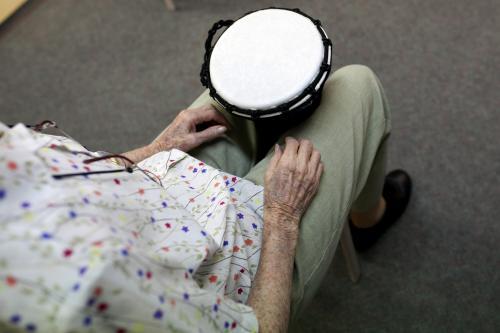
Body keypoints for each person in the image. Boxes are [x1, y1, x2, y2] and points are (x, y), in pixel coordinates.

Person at [0, 65, 411, 332]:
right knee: (355, 85)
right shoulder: (75, 294)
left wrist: (155, 148)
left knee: (241, 88)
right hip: (241, 270)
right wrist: (283, 218)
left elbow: (74, 174)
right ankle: (368, 221)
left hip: (165, 185)